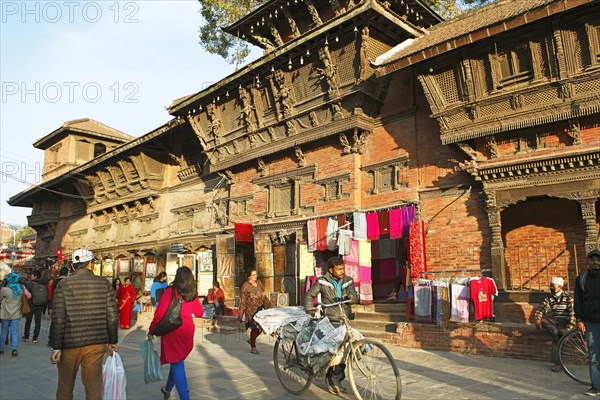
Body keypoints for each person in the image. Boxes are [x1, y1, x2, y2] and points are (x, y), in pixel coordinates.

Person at [49, 248, 119, 400]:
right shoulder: (104, 283)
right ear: (90, 264)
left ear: (73, 266)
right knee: (93, 388)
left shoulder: (64, 285)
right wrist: (113, 341)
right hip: (96, 342)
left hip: (69, 343)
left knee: (65, 388)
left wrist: (56, 346)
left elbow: (58, 318)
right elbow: (113, 315)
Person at [304, 256, 358, 395]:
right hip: (331, 320)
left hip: (345, 318)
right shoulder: (322, 281)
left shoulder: (348, 281)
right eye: (339, 269)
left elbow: (355, 297)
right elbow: (310, 295)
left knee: (344, 354)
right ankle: (330, 379)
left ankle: (336, 380)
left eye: (343, 268)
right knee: (333, 353)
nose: (342, 271)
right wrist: (310, 308)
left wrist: (348, 299)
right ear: (331, 270)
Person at [149, 266, 203, 400]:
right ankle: (167, 389)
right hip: (187, 331)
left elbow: (160, 313)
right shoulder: (192, 293)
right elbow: (199, 313)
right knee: (177, 361)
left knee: (177, 364)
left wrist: (152, 329)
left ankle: (185, 397)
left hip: (173, 331)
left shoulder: (170, 291)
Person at [534, 276, 575, 372]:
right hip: (554, 321)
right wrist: (537, 319)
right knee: (544, 320)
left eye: (553, 286)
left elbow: (573, 314)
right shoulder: (549, 298)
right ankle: (555, 329)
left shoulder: (568, 297)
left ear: (560, 287)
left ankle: (557, 363)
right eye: (550, 286)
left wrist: (568, 329)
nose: (551, 288)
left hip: (565, 321)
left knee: (556, 337)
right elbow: (541, 309)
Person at [575, 249, 600, 397]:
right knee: (594, 357)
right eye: (592, 259)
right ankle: (596, 386)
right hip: (591, 323)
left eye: (598, 259)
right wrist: (579, 319)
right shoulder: (581, 279)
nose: (595, 262)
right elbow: (578, 301)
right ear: (588, 262)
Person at [0, 272, 31, 356]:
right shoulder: (21, 289)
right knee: (14, 332)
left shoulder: (4, 290)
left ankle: (1, 349)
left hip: (5, 314)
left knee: (3, 331)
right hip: (16, 314)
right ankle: (14, 349)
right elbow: (29, 296)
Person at [238, 269, 266, 354]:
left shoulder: (259, 283)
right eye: (253, 275)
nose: (255, 276)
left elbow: (263, 294)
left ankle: (251, 340)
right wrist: (240, 314)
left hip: (260, 309)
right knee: (254, 328)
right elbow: (242, 300)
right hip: (250, 311)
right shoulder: (245, 286)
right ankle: (253, 347)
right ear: (249, 276)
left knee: (261, 328)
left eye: (256, 274)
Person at [23, 270, 48, 343]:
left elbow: (27, 294)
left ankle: (26, 337)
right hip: (40, 305)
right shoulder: (44, 283)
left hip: (31, 304)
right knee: (38, 322)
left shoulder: (30, 283)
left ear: (35, 276)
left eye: (32, 275)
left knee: (28, 321)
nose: (31, 276)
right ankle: (35, 338)